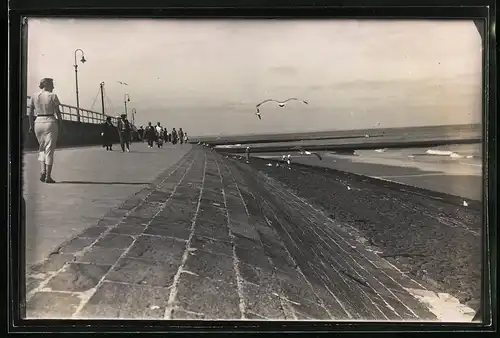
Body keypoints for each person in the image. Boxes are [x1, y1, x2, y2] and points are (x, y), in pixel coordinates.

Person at [29, 77, 64, 183]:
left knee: (41, 149)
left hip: (38, 122)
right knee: (49, 150)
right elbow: (58, 112)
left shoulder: (34, 96)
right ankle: (48, 176)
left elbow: (30, 112)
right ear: (47, 85)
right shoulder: (53, 96)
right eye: (52, 84)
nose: (53, 87)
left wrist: (31, 126)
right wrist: (61, 125)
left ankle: (43, 170)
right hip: (50, 122)